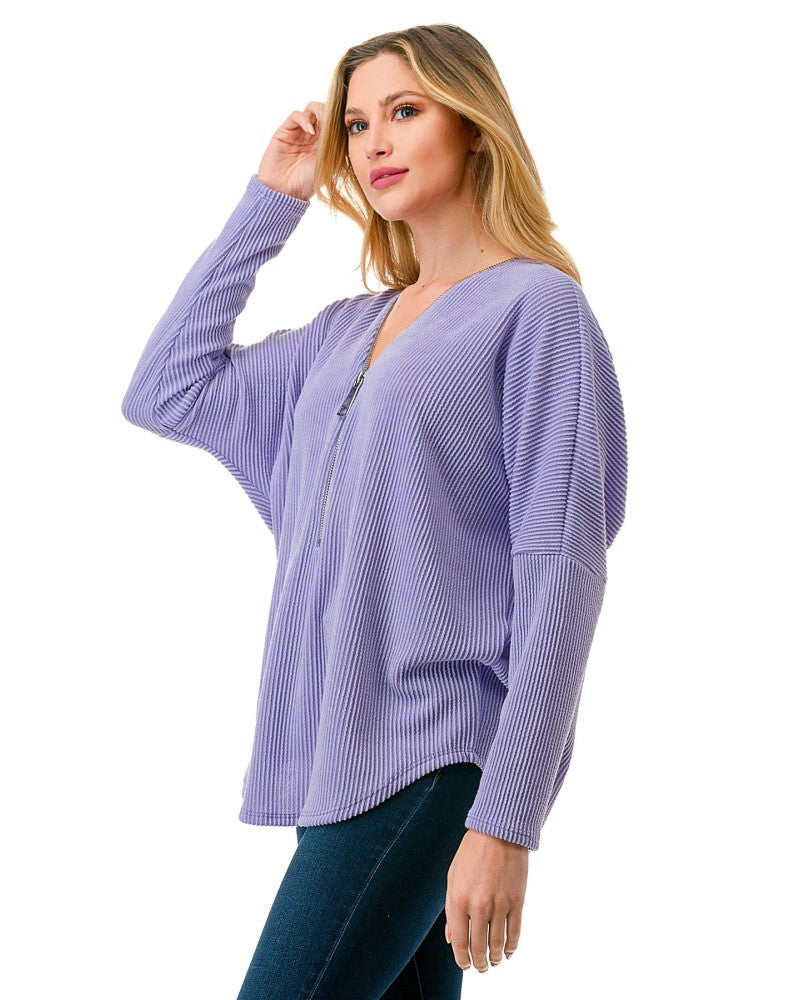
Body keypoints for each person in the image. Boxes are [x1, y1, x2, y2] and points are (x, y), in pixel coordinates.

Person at [121, 22, 628, 1000]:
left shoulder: (535, 310)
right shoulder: (341, 332)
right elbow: (164, 390)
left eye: (404, 111)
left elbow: (561, 571)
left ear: (471, 125)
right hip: (333, 756)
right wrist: (272, 199)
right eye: (356, 125)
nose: (374, 142)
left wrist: (508, 817)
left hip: (435, 753)